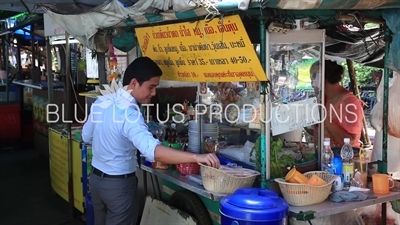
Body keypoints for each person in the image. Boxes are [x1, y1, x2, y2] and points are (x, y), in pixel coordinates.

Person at [81, 57, 220, 225]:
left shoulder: (101, 102)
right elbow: (154, 152)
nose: (154, 93)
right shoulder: (130, 114)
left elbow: (85, 137)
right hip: (118, 187)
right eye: (151, 87)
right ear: (134, 83)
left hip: (96, 182)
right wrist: (197, 158)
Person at [308, 60, 364, 149]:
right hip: (324, 158)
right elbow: (320, 131)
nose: (312, 83)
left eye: (313, 77)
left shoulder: (349, 102)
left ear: (322, 78)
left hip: (344, 160)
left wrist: (325, 118)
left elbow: (351, 141)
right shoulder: (321, 99)